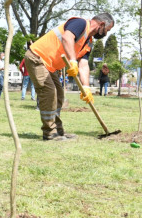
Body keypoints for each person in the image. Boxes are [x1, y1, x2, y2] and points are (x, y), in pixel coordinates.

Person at [23, 13, 115, 141]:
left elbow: (84, 65)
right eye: (107, 30)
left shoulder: (88, 42)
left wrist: (86, 87)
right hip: (37, 57)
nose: (105, 34)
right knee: (49, 92)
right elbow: (67, 37)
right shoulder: (81, 23)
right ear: (102, 24)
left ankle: (58, 131)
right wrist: (73, 61)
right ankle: (49, 132)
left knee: (59, 94)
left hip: (50, 65)